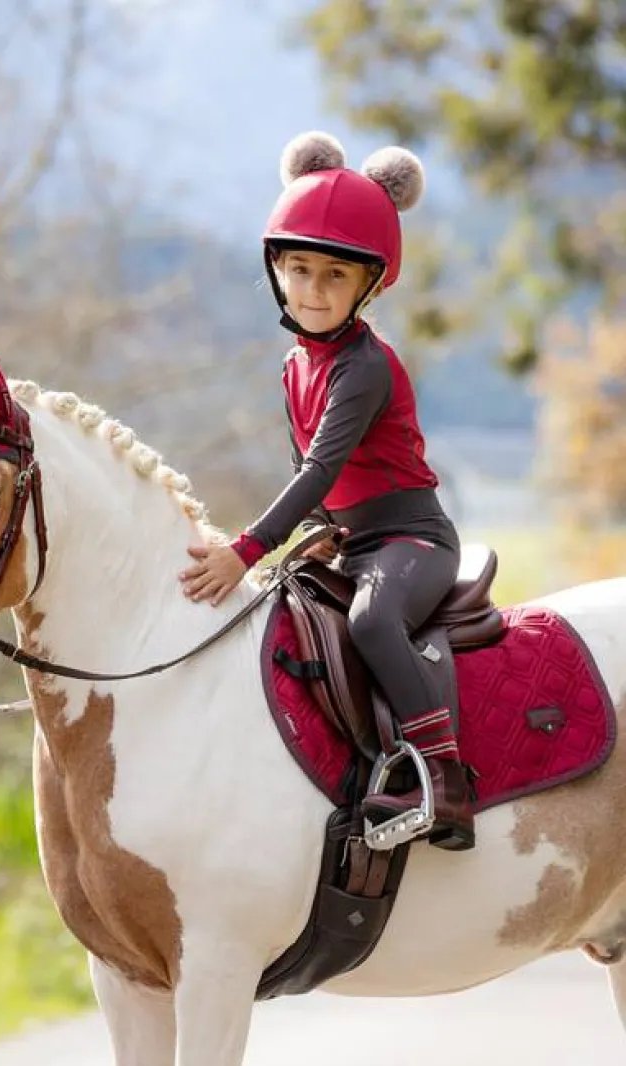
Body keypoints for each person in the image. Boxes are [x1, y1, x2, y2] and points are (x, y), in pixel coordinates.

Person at [178, 131, 474, 851]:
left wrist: (246, 550)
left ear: (369, 285)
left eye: (335, 275)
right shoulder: (295, 367)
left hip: (412, 540)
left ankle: (443, 779)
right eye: (299, 269)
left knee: (372, 621)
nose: (312, 290)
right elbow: (310, 483)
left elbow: (319, 468)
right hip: (353, 542)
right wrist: (315, 531)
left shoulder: (363, 368)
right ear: (277, 269)